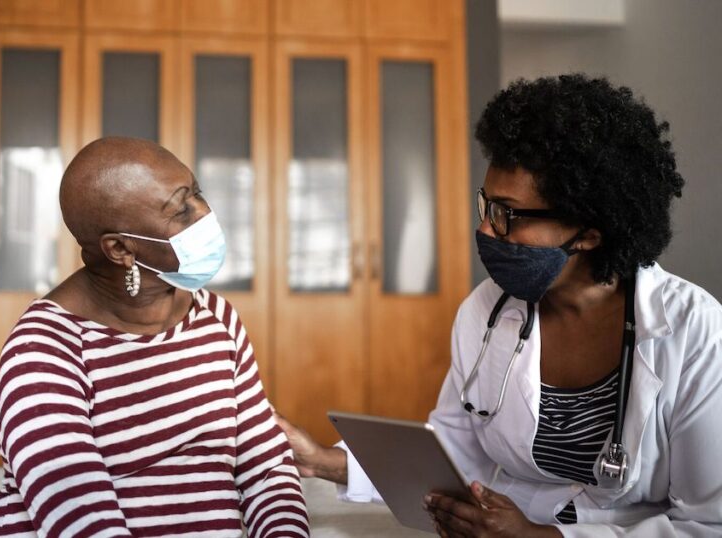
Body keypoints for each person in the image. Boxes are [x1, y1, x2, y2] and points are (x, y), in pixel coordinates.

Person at [277, 74, 722, 537]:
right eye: (486, 207)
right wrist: (325, 462)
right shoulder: (485, 311)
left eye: (508, 215)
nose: (488, 231)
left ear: (590, 231)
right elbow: (452, 452)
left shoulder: (694, 332)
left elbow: (709, 524)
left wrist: (539, 537)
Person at [0, 137, 309, 537]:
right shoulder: (43, 348)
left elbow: (266, 469)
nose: (206, 213)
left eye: (198, 193)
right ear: (121, 248)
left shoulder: (218, 319)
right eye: (181, 210)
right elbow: (80, 517)